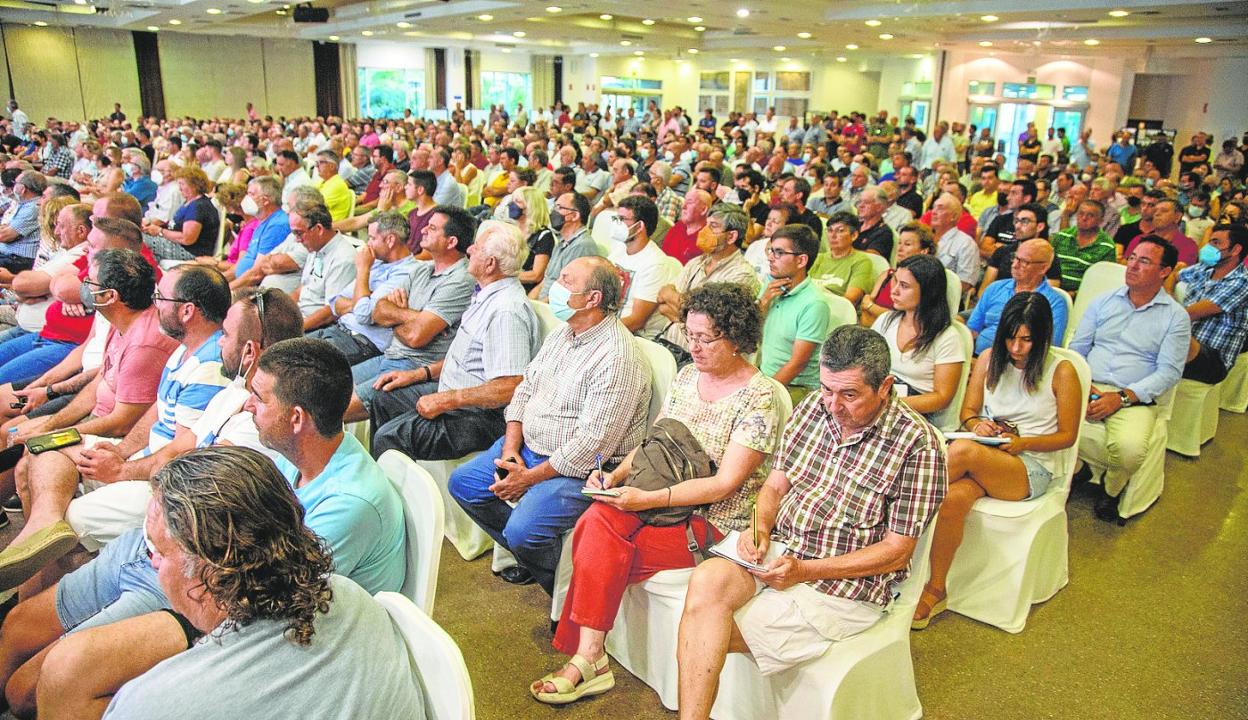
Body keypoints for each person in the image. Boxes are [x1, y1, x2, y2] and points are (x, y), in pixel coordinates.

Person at [34, 446, 425, 720]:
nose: (151, 559)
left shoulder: (153, 704)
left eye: (158, 549)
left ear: (210, 575)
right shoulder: (348, 593)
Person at [676, 325, 946, 718]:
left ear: (885, 386)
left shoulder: (917, 445)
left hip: (843, 582)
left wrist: (804, 571)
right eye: (826, 389)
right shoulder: (812, 409)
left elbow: (896, 552)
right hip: (783, 548)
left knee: (705, 630)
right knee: (706, 583)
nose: (834, 405)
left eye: (849, 394)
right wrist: (759, 527)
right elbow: (774, 486)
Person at [532, 283, 784, 704]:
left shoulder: (759, 398)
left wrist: (646, 499)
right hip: (660, 497)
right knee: (595, 519)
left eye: (706, 338)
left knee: (599, 543)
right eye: (690, 335)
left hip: (712, 521)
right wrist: (615, 477)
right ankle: (591, 656)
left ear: (737, 339)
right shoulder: (688, 377)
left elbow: (725, 485)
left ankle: (587, 659)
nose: (695, 347)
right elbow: (655, 442)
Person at [0, 262, 230, 591]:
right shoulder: (185, 349)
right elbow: (155, 410)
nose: (155, 304)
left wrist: (121, 469)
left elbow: (181, 455)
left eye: (161, 298)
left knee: (73, 517)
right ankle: (40, 530)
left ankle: (41, 600)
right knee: (42, 451)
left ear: (187, 311)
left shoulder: (209, 366)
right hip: (143, 457)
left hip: (162, 483)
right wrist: (120, 452)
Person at [448, 256, 651, 592]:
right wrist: (512, 448)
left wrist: (527, 479)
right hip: (528, 447)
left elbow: (592, 446)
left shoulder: (617, 357)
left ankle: (564, 587)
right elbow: (525, 388)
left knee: (524, 530)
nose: (556, 285)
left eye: (566, 281)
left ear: (592, 299)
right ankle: (535, 559)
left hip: (582, 470)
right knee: (465, 485)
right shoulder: (565, 332)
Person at [61, 288, 304, 552]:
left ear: (249, 352)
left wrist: (122, 470)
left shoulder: (260, 421)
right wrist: (120, 464)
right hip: (165, 481)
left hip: (183, 509)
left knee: (68, 521)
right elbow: (178, 447)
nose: (219, 343)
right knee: (53, 457)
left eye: (225, 335)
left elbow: (195, 488)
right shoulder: (236, 388)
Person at [913, 292, 1081, 629]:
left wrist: (1022, 443)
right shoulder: (990, 358)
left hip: (1032, 466)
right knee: (951, 499)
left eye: (1026, 340)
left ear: (1042, 337)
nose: (1017, 348)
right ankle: (936, 588)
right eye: (1011, 337)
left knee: (961, 452)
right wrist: (979, 425)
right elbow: (968, 413)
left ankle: (893, 506)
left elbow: (1067, 436)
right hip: (990, 454)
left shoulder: (1061, 372)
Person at [368, 220, 542, 461]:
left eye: (477, 248)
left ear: (490, 264)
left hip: (480, 416)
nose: (469, 250)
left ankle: (387, 494)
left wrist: (448, 400)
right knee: (385, 398)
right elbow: (465, 359)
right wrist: (418, 375)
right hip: (455, 395)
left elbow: (510, 386)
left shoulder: (506, 311)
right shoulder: (486, 296)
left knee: (390, 437)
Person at [1069, 236, 1190, 523]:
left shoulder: (1175, 317)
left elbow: (1169, 372)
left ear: (1164, 272)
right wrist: (1083, 385)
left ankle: (1111, 491)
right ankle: (1077, 470)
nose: (1132, 265)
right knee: (1039, 422)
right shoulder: (1103, 302)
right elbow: (1078, 348)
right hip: (1090, 385)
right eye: (1132, 257)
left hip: (1133, 397)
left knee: (1130, 451)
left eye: (1144, 261)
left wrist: (1121, 397)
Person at [349, 204, 475, 414]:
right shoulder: (421, 268)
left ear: (451, 242)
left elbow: (417, 336)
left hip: (415, 365)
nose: (423, 229)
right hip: (390, 354)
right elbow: (378, 311)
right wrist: (415, 317)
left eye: (433, 228)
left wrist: (397, 316)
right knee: (328, 388)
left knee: (333, 411)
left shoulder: (461, 280)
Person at [309, 212, 417, 366]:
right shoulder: (377, 262)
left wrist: (363, 270)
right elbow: (336, 303)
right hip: (338, 329)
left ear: (390, 240)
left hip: (361, 343)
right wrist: (366, 299)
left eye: (372, 238)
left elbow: (363, 314)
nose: (368, 244)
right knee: (285, 348)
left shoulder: (407, 273)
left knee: (297, 364)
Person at [654, 205, 759, 354]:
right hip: (669, 343)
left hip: (702, 355)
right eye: (706, 225)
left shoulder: (742, 275)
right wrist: (691, 316)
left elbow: (712, 325)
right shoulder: (696, 262)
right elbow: (663, 302)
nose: (704, 231)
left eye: (713, 226)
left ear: (731, 236)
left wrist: (675, 306)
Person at [871, 254, 965, 421]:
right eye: (895, 281)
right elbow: (865, 363)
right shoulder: (885, 320)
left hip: (914, 412)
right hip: (880, 396)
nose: (894, 290)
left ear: (928, 292)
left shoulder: (947, 337)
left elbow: (942, 398)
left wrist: (891, 404)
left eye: (904, 286)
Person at [758, 224, 831, 402]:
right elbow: (749, 333)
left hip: (795, 387)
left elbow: (797, 364)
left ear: (801, 260)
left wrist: (762, 395)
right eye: (770, 250)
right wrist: (763, 302)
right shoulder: (771, 285)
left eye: (779, 253)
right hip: (763, 376)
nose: (770, 258)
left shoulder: (814, 304)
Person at [968, 239, 1069, 355]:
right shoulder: (995, 288)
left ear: (1043, 268)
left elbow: (1049, 347)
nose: (1015, 265)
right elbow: (972, 330)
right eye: (1015, 258)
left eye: (1024, 262)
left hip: (1020, 364)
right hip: (979, 356)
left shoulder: (1054, 303)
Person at [1176, 224, 1248, 385]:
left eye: (1216, 243)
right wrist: (1167, 296)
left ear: (1235, 249)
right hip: (1187, 342)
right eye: (1209, 242)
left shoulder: (1242, 282)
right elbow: (1174, 275)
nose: (1208, 247)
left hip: (1213, 360)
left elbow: (1190, 314)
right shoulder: (1204, 269)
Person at [608, 195, 680, 338]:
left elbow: (637, 321)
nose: (617, 224)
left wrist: (597, 332)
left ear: (639, 226)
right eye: (616, 219)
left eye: (622, 220)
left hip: (634, 338)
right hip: (611, 328)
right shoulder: (620, 250)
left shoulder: (655, 264)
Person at [289, 198, 358, 332]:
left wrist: (292, 331)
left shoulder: (343, 258)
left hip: (318, 328)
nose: (297, 240)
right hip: (301, 317)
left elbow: (330, 313)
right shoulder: (316, 246)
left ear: (319, 229)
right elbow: (301, 289)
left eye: (299, 233)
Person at [861, 222, 934, 326]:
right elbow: (865, 305)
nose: (900, 249)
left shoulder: (927, 282)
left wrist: (871, 307)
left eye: (907, 244)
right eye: (899, 243)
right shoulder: (887, 275)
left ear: (924, 251)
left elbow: (905, 319)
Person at [143, 166, 220, 261]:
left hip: (190, 252)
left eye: (182, 184)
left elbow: (187, 239)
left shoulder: (199, 206)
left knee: (139, 239)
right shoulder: (190, 202)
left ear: (195, 185)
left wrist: (160, 231)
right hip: (177, 245)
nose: (179, 188)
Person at [532, 192, 597, 301]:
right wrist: (530, 303)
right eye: (554, 206)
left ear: (575, 216)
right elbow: (545, 281)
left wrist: (538, 309)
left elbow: (565, 291)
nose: (553, 212)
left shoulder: (582, 245)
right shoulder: (561, 242)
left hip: (553, 309)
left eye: (559, 207)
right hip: (542, 305)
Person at [808, 211, 875, 307]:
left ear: (854, 236)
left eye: (840, 231)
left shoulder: (861, 262)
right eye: (830, 230)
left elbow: (850, 300)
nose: (833, 236)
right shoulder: (818, 258)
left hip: (839, 313)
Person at [1051, 199, 1116, 294]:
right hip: (1053, 289)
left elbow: (1102, 282)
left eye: (1090, 215)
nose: (1084, 218)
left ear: (1101, 221)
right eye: (1080, 213)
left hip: (1082, 296)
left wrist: (1075, 294)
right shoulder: (1061, 236)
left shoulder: (1107, 246)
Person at [929, 193, 980, 293]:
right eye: (933, 207)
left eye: (940, 208)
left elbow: (965, 283)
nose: (934, 212)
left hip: (945, 298)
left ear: (954, 216)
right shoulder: (926, 238)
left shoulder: (966, 244)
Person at [0, 171, 46, 273]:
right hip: (10, 255)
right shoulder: (25, 204)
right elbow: (5, 227)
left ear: (24, 189)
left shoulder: (33, 208)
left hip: (19, 260)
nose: (13, 186)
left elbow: (4, 236)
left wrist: (5, 230)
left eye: (16, 183)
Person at [512, 186, 555, 292]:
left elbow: (536, 275)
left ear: (530, 207)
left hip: (524, 289)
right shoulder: (511, 230)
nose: (511, 205)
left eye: (517, 202)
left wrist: (505, 277)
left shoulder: (544, 236)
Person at [661, 190, 713, 266]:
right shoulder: (678, 226)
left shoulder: (710, 238)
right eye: (684, 202)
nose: (683, 206)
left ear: (703, 210)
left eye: (689, 202)